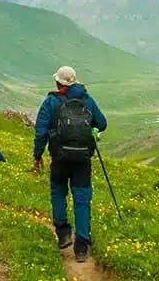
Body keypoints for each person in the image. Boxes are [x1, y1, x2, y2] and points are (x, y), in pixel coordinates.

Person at [33, 66, 107, 262]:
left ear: (58, 83)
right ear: (74, 82)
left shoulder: (51, 102)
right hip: (83, 160)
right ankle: (81, 245)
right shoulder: (87, 100)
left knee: (58, 193)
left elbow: (40, 131)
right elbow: (102, 123)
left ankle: (63, 232)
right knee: (82, 199)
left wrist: (37, 155)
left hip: (59, 157)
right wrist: (91, 132)